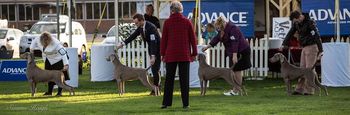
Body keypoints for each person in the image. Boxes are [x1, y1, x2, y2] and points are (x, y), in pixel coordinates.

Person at [160, 1, 197, 109]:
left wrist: (162, 54)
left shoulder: (167, 22)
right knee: (184, 80)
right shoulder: (187, 22)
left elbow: (164, 40)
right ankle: (186, 104)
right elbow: (193, 39)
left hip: (170, 54)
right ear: (181, 10)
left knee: (169, 80)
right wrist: (194, 53)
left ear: (171, 10)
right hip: (184, 54)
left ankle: (166, 103)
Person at [202, 16, 252, 96]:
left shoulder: (233, 28)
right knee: (235, 70)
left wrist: (235, 56)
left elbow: (235, 42)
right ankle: (237, 89)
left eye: (218, 27)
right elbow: (217, 38)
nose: (217, 29)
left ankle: (236, 91)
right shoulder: (222, 30)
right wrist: (207, 47)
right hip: (234, 52)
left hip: (241, 51)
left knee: (237, 70)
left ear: (222, 24)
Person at [117, 13, 161, 96]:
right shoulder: (141, 27)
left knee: (155, 70)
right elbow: (133, 36)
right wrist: (122, 44)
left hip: (157, 49)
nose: (136, 25)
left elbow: (153, 43)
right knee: (154, 69)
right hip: (151, 48)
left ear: (142, 21)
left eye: (136, 23)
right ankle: (156, 90)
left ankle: (156, 90)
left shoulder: (151, 27)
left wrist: (153, 56)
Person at [280, 10, 323, 95]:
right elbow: (290, 33)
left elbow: (317, 36)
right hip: (304, 47)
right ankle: (299, 89)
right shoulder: (297, 23)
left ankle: (309, 90)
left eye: (296, 21)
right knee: (301, 69)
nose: (295, 23)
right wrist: (283, 44)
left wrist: (321, 51)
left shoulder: (310, 23)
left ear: (299, 17)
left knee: (309, 69)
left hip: (312, 47)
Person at [30, 32, 69, 96]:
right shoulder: (38, 39)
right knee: (48, 76)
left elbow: (63, 53)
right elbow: (32, 45)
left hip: (58, 59)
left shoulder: (56, 43)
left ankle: (59, 92)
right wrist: (31, 51)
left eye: (46, 42)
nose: (45, 44)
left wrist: (66, 64)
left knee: (58, 76)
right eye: (43, 42)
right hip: (48, 59)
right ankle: (49, 92)